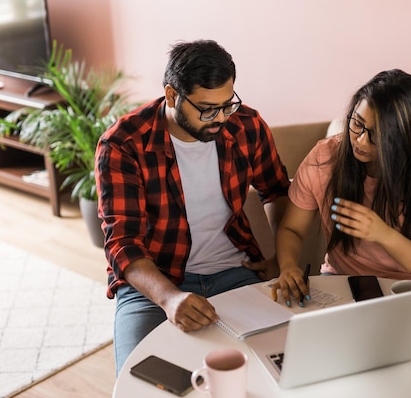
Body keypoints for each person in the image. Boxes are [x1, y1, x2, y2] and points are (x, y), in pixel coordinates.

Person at [95, 39, 291, 374]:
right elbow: (122, 244)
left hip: (235, 273)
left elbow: (277, 191)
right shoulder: (123, 144)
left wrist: (281, 259)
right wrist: (170, 298)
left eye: (226, 104)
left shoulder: (246, 125)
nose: (219, 119)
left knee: (282, 366)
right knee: (142, 382)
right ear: (172, 95)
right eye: (206, 109)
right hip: (154, 285)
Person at [272, 69, 411, 306]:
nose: (361, 140)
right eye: (357, 124)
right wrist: (289, 266)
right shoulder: (325, 158)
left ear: (404, 137)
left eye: (377, 135)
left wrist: (381, 233)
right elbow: (292, 229)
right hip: (345, 280)